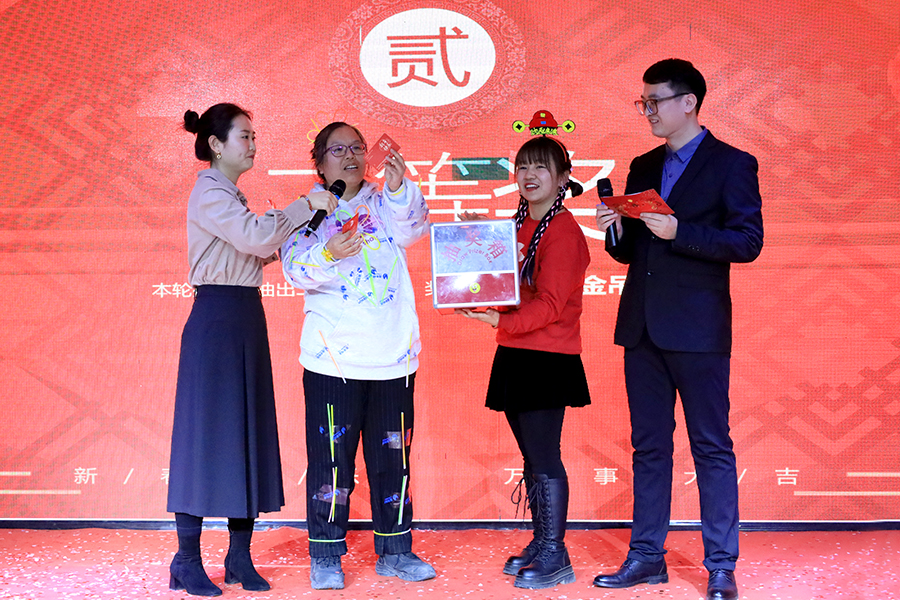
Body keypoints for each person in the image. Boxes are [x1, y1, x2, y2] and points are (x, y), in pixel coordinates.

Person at [593, 59, 763, 600]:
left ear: (688, 102)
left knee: (711, 446)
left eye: (655, 102)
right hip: (642, 327)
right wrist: (614, 230)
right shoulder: (643, 165)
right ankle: (647, 556)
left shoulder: (732, 164)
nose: (647, 111)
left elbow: (747, 242)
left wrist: (680, 231)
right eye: (642, 102)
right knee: (649, 447)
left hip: (698, 329)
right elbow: (631, 253)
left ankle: (721, 565)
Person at [167, 103, 338, 597]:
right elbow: (254, 236)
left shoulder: (231, 193)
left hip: (243, 317)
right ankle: (186, 559)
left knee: (246, 435)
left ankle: (238, 556)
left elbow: (258, 249)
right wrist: (304, 206)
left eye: (254, 136)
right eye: (244, 136)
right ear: (216, 144)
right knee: (205, 440)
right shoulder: (210, 190)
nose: (253, 144)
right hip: (218, 321)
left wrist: (305, 229)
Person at [280, 122, 434, 590]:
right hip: (333, 361)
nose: (350, 156)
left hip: (393, 357)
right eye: (338, 149)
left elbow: (414, 229)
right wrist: (327, 253)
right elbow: (293, 269)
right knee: (332, 463)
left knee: (393, 461)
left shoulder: (384, 201)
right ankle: (326, 554)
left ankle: (396, 550)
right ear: (319, 161)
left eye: (357, 148)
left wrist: (398, 187)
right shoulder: (308, 211)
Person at [458, 135, 591, 590]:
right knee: (532, 457)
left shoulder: (563, 232)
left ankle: (556, 552)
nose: (529, 176)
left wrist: (499, 318)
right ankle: (542, 541)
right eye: (522, 167)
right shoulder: (519, 224)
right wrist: (478, 242)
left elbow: (551, 305)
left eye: (540, 168)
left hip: (547, 359)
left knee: (545, 457)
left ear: (563, 178)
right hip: (517, 352)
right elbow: (503, 281)